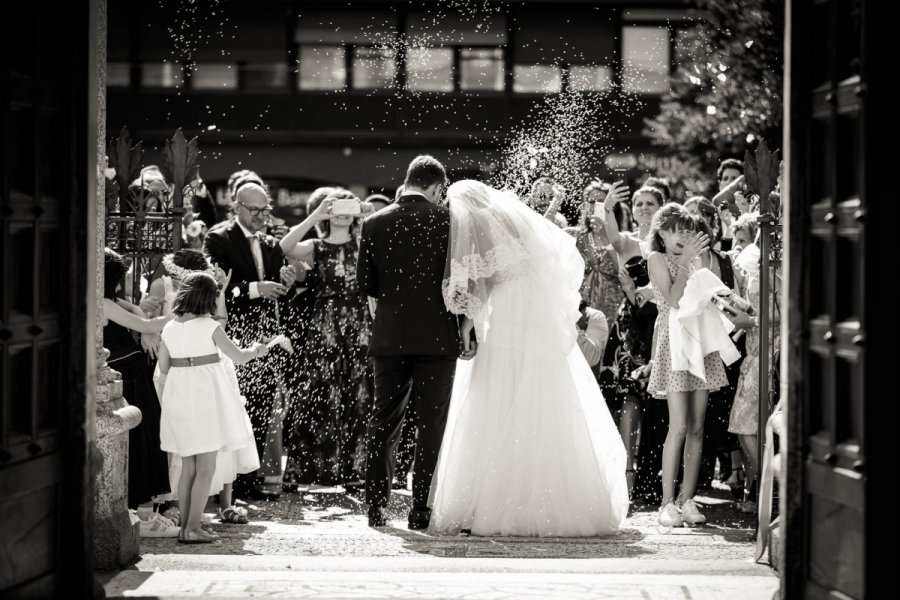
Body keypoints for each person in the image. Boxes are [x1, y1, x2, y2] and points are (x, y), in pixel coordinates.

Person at [430, 180, 628, 537]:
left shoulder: (479, 226)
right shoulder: (512, 222)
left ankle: (492, 501)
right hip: (532, 315)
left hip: (507, 315)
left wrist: (465, 327)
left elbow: (480, 283)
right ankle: (554, 499)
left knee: (494, 397)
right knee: (540, 396)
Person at [356, 155, 466, 529]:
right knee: (430, 424)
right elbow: (460, 284)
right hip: (438, 337)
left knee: (383, 422)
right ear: (436, 188)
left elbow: (366, 284)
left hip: (389, 338)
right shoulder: (450, 221)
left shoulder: (373, 222)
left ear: (408, 182)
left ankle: (376, 508)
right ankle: (420, 508)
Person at [203, 179, 299, 501]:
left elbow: (279, 294)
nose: (261, 215)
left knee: (259, 409)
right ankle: (225, 483)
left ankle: (248, 480)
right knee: (232, 409)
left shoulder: (271, 245)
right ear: (236, 207)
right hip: (232, 335)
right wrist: (257, 288)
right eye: (254, 209)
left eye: (265, 209)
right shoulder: (218, 239)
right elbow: (214, 286)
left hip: (266, 337)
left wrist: (285, 281)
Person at [157, 272, 268, 543]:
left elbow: (163, 368)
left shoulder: (169, 327)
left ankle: (185, 526)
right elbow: (239, 357)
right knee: (206, 466)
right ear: (209, 298)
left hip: (179, 398)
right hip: (205, 399)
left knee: (189, 467)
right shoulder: (210, 327)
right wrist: (257, 350)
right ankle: (192, 529)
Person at [645, 204, 727, 527]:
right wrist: (684, 261)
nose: (683, 236)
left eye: (687, 230)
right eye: (676, 230)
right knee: (677, 425)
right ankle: (667, 503)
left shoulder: (698, 259)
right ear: (662, 234)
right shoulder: (656, 259)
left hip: (700, 343)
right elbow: (676, 299)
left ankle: (687, 498)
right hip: (675, 344)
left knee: (697, 426)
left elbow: (713, 297)